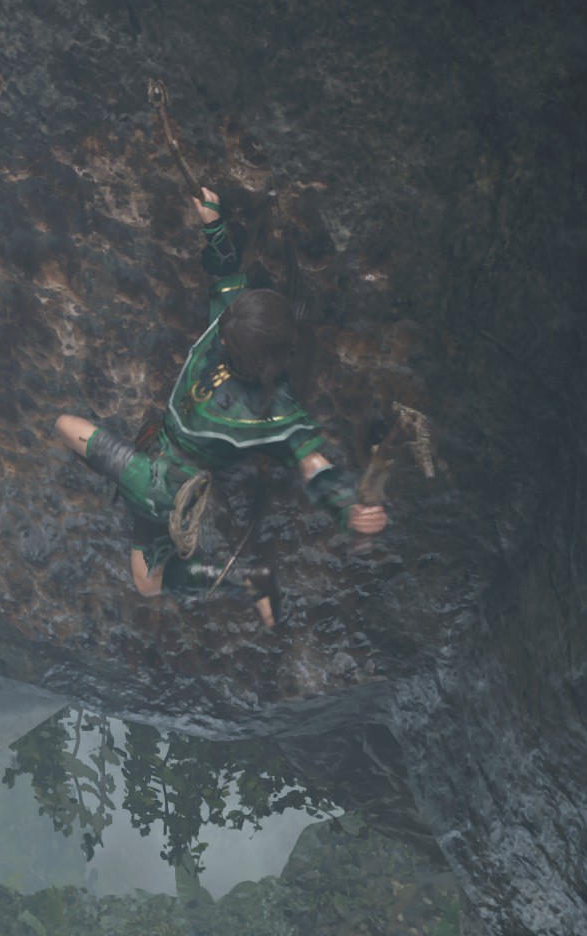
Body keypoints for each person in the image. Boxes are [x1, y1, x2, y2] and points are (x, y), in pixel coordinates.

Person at [54, 187, 388, 628]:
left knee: (147, 584)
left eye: (227, 330)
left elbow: (315, 466)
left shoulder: (274, 410)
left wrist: (350, 511)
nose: (221, 326)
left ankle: (248, 585)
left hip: (163, 489)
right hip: (157, 454)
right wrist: (212, 223)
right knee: (66, 426)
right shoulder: (235, 324)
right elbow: (226, 276)